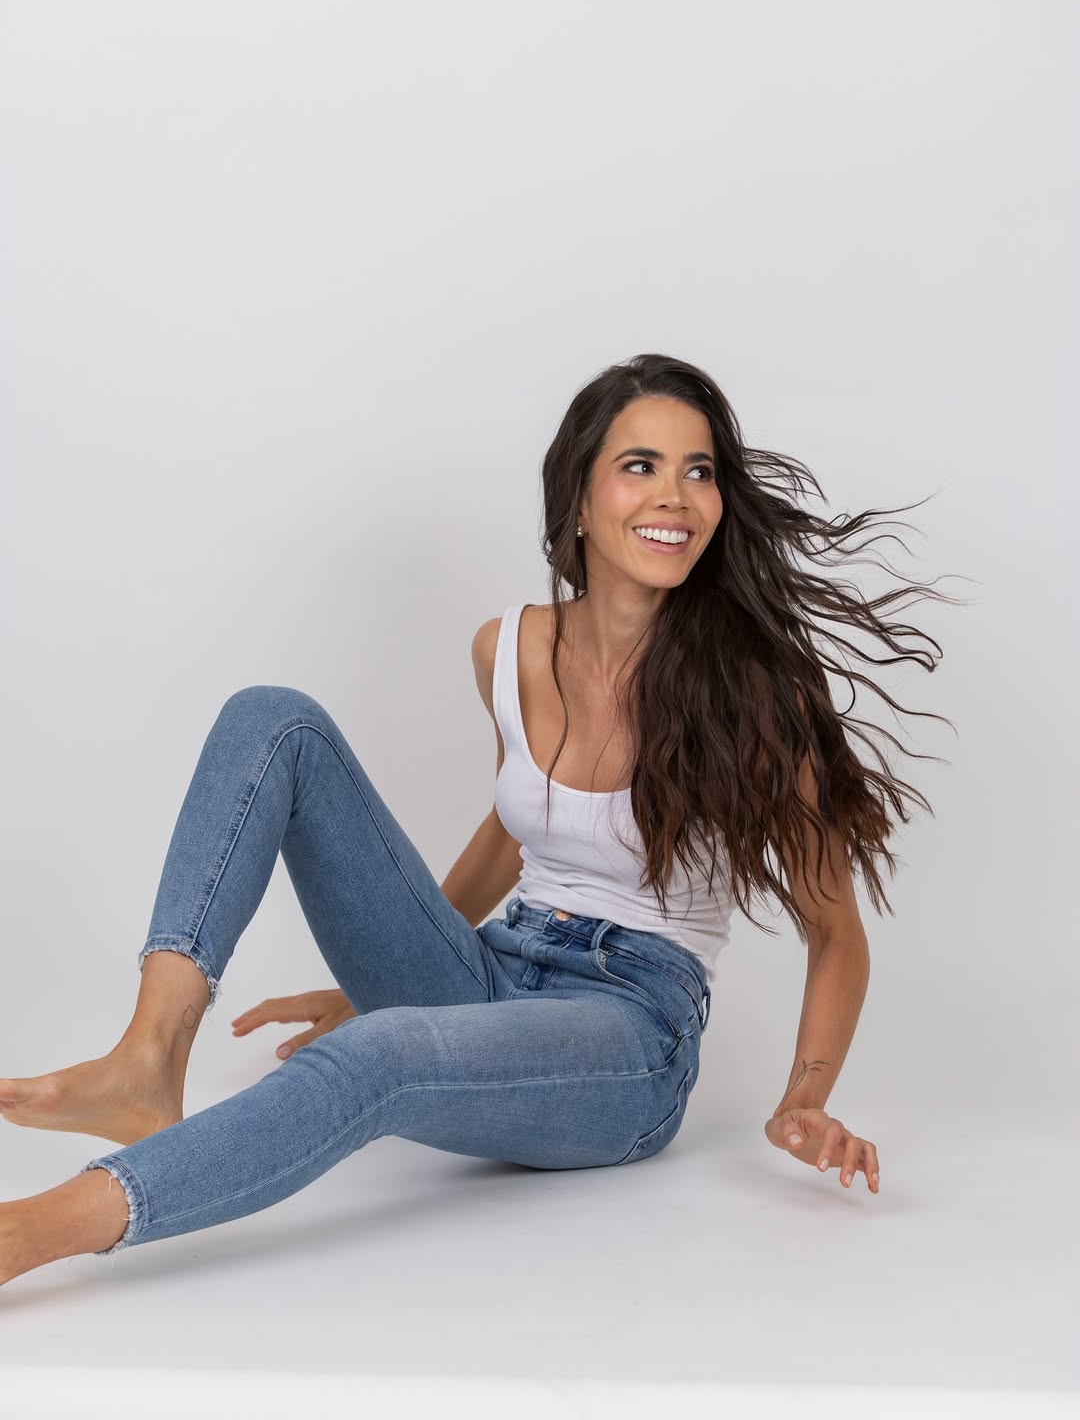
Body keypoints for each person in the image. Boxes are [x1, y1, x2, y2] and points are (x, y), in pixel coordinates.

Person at [0, 353, 953, 1286]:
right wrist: (383, 967)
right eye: (641, 465)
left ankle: (35, 1230)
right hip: (492, 966)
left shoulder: (757, 693)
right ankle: (148, 1058)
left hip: (628, 1031)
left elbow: (836, 932)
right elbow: (515, 829)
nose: (675, 496)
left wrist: (804, 1099)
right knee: (273, 719)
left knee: (377, 1058)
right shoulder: (511, 648)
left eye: (698, 471)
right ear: (579, 502)